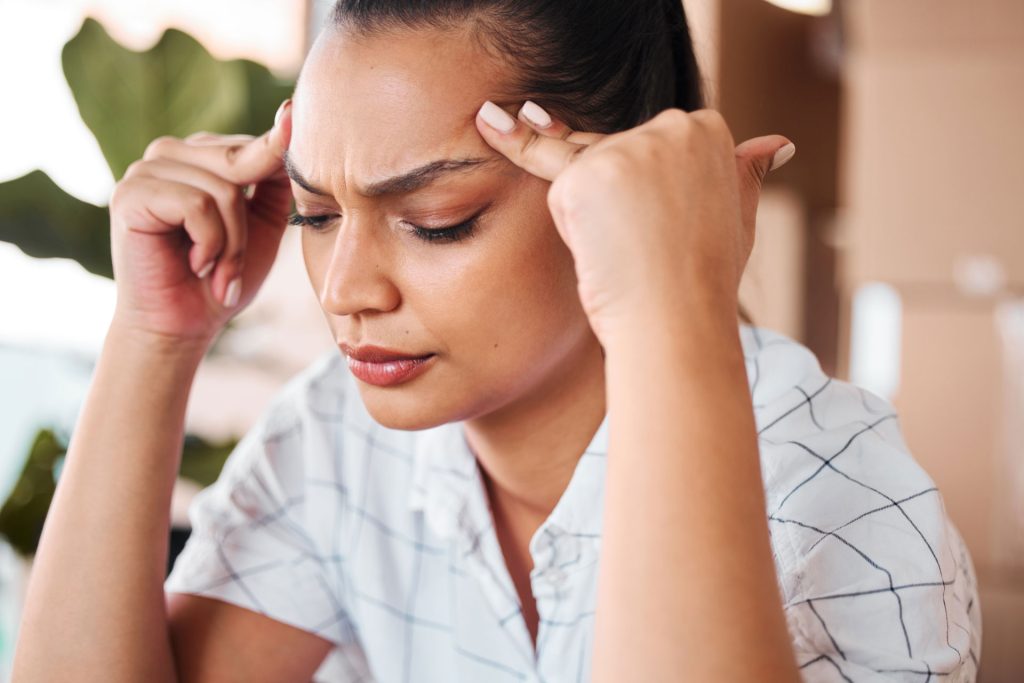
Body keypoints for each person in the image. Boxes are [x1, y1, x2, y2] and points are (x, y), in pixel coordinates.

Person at [13, 1, 981, 681]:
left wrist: (667, 308)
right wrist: (152, 336)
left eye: (437, 218)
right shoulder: (339, 439)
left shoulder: (841, 494)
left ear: (623, 185)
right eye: (314, 214)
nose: (345, 290)